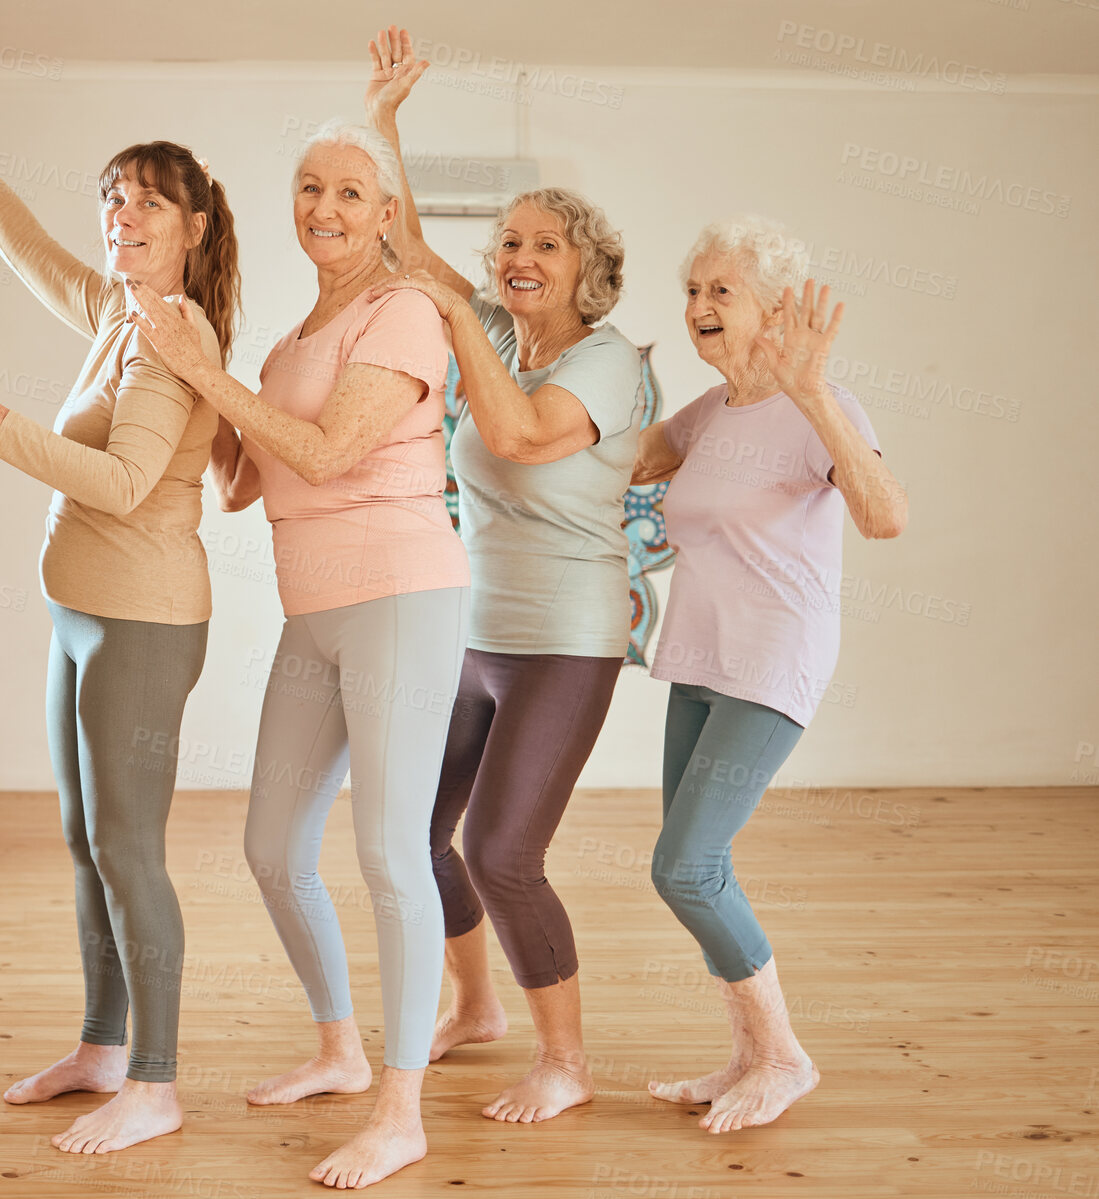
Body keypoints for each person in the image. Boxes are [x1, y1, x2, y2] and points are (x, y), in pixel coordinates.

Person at [0, 52, 240, 1155]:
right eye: (112, 199)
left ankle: (157, 1077)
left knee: (130, 847)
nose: (120, 216)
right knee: (84, 837)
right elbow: (27, 245)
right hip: (83, 615)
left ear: (190, 227)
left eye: (145, 201)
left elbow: (128, 483)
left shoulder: (174, 338)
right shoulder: (114, 311)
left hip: (143, 618)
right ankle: (101, 1045)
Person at [129, 119, 466, 1190]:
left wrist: (205, 375)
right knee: (273, 844)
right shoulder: (285, 343)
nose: (324, 205)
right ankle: (337, 1046)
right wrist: (192, 371)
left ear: (386, 215)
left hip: (400, 598)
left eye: (350, 192)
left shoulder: (402, 312)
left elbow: (323, 450)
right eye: (309, 186)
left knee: (385, 852)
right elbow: (245, 478)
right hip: (310, 610)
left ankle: (400, 1110)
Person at [362, 25, 646, 1123]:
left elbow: (524, 436)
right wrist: (385, 127)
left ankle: (563, 1058)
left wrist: (464, 319)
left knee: (501, 849)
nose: (517, 259)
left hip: (567, 639)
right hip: (470, 631)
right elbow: (412, 261)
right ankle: (473, 1006)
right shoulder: (490, 327)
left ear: (586, 271)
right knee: (414, 832)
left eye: (545, 247)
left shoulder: (606, 360)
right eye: (508, 245)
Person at [631, 216, 907, 1133]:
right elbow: (620, 457)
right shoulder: (709, 413)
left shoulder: (817, 405)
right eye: (694, 291)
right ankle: (748, 1053)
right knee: (691, 865)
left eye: (722, 291)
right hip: (700, 660)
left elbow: (884, 516)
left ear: (774, 309)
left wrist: (815, 392)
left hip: (772, 660)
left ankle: (783, 1055)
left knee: (687, 866)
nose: (700, 307)